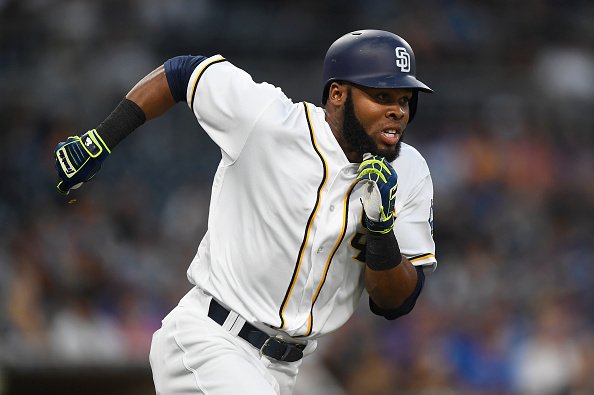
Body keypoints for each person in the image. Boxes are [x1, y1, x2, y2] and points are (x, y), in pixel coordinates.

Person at [54, 29, 437, 395]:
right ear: (337, 94)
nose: (397, 111)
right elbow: (184, 73)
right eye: (382, 95)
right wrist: (102, 137)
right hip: (211, 338)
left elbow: (395, 302)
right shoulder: (271, 121)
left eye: (404, 100)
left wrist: (381, 231)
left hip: (289, 368)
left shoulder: (409, 172)